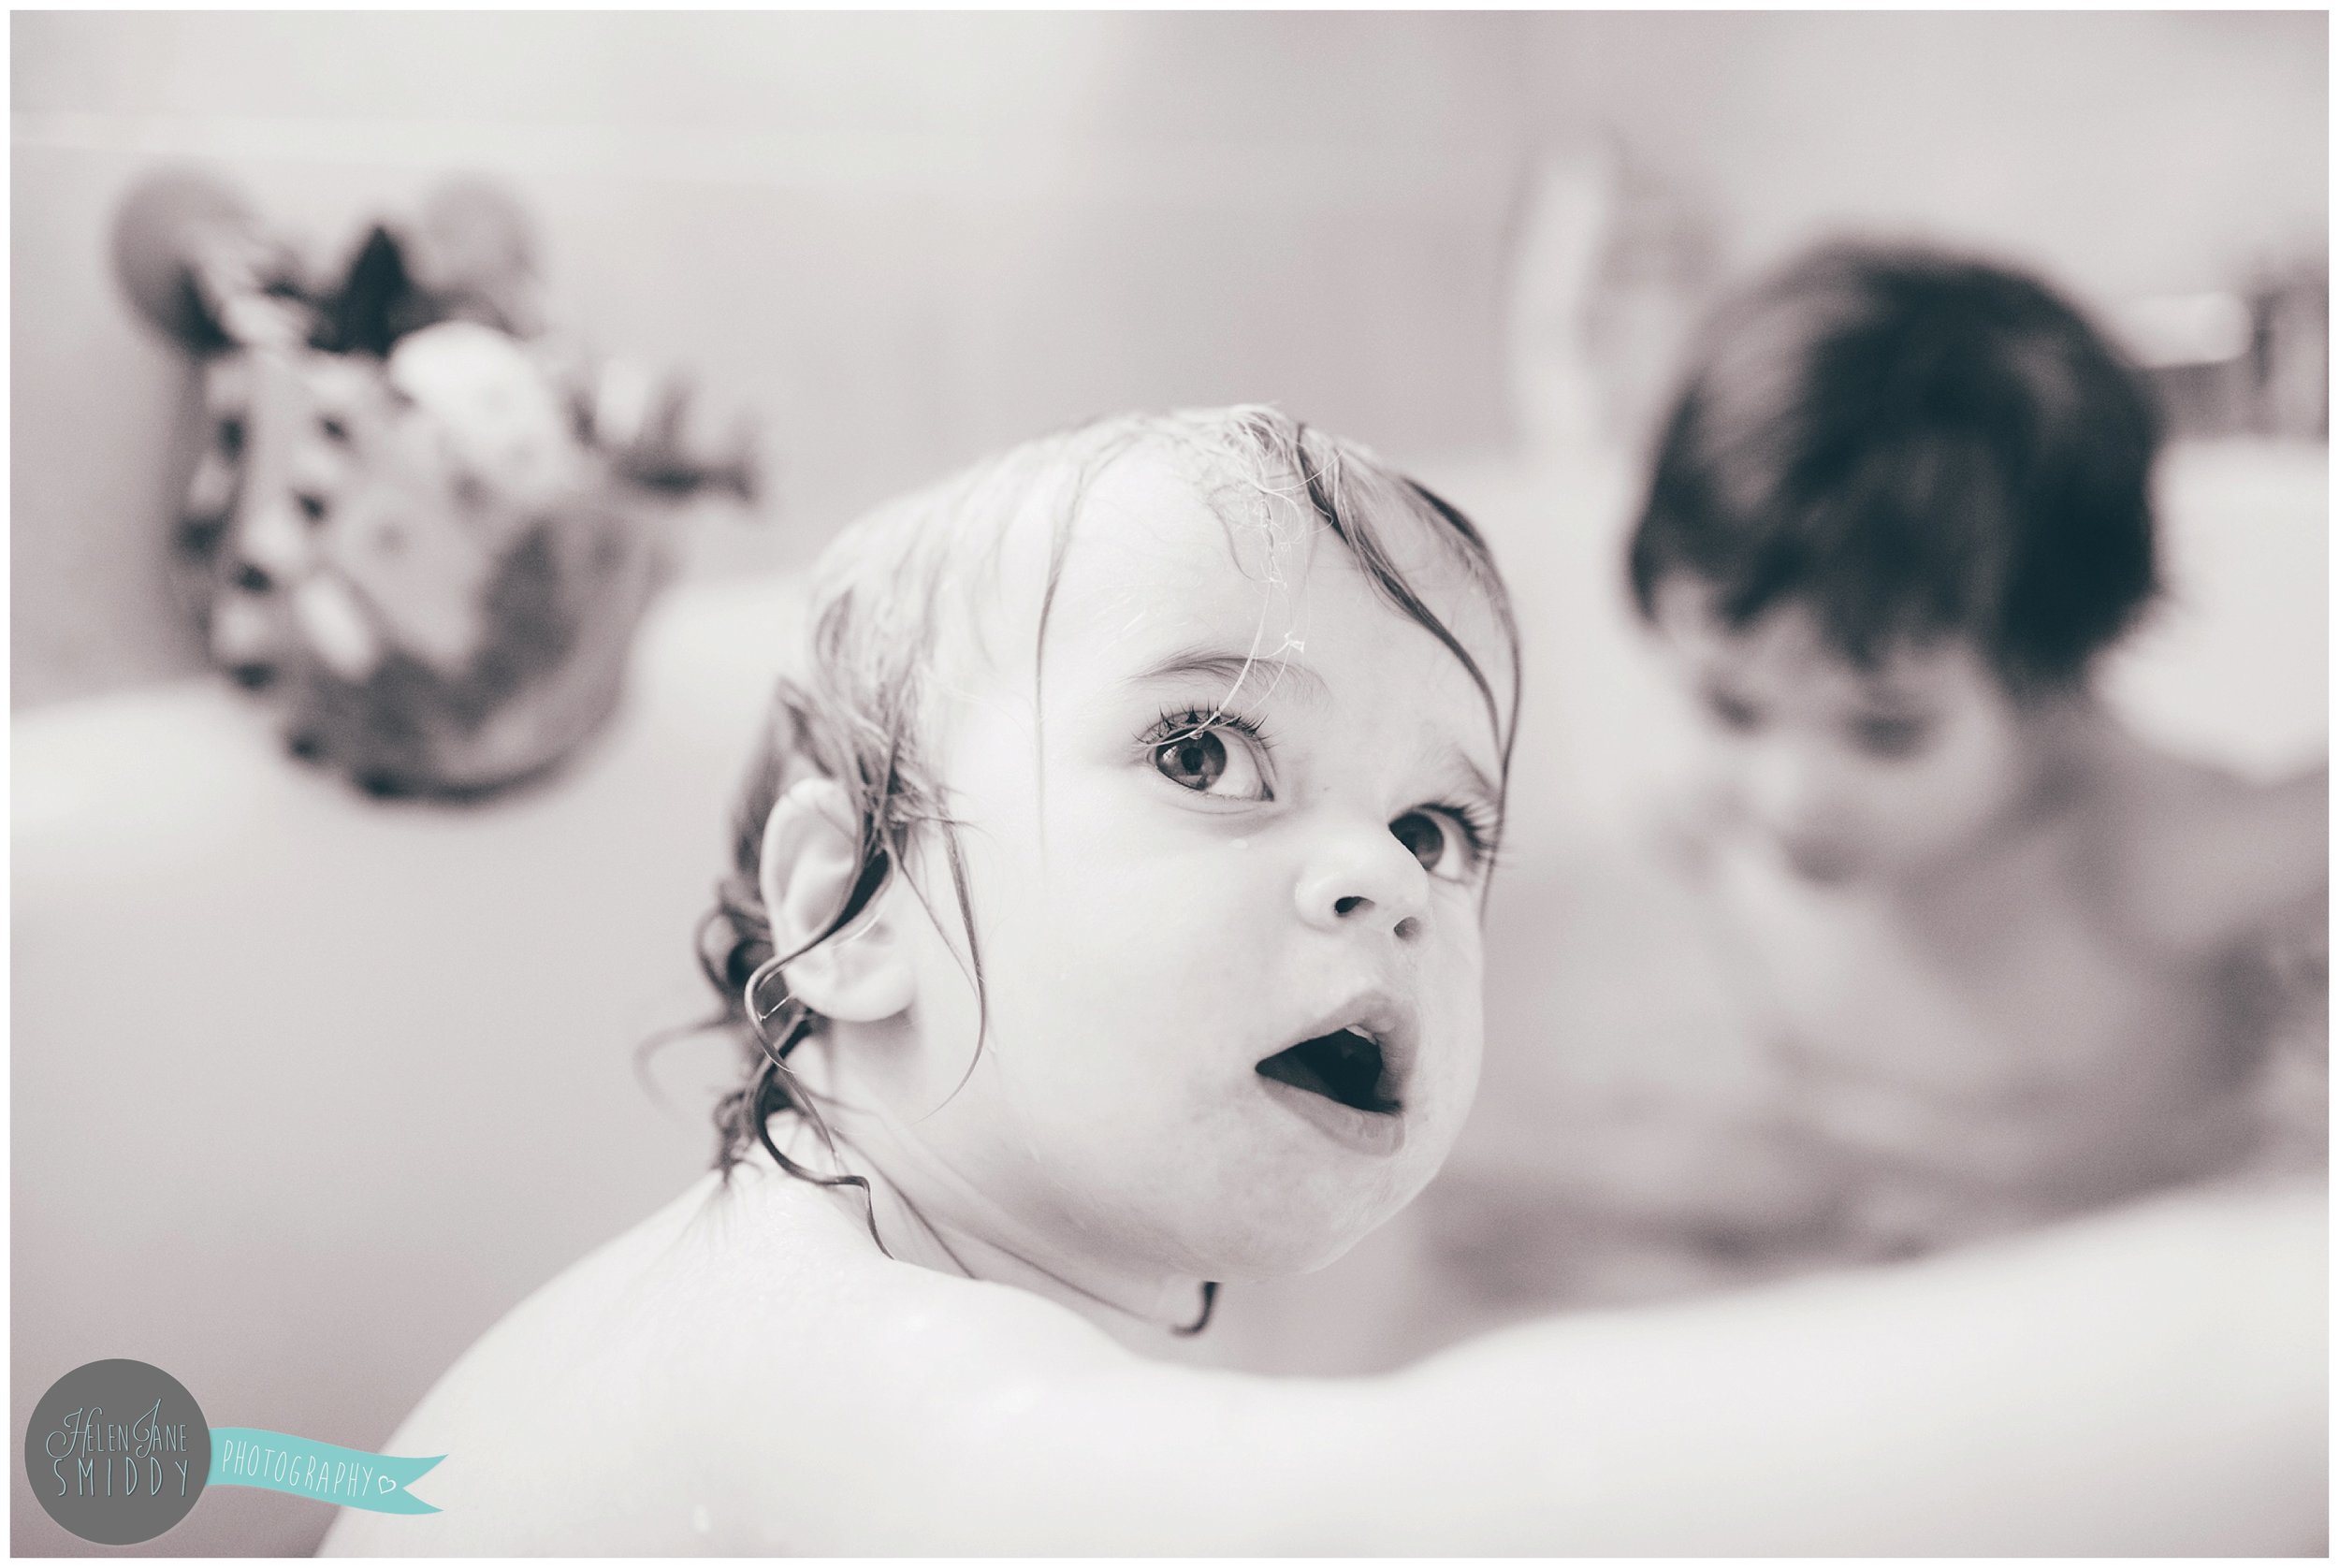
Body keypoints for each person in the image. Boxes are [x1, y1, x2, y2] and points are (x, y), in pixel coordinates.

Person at [323, 407, 2322, 1554]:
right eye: (1202, 755)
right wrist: (2250, 1338)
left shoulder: (849, 1271)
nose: (1376, 879)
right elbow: (1411, 1517)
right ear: (843, 914)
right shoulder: (854, 1379)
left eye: (1440, 830)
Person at [1592, 243, 2328, 1270]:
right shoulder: (1712, 823)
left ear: (2057, 676)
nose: (1786, 789)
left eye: (1885, 728)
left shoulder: (2145, 855)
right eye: (1729, 705)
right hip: (1847, 1224)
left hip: (2113, 1264)